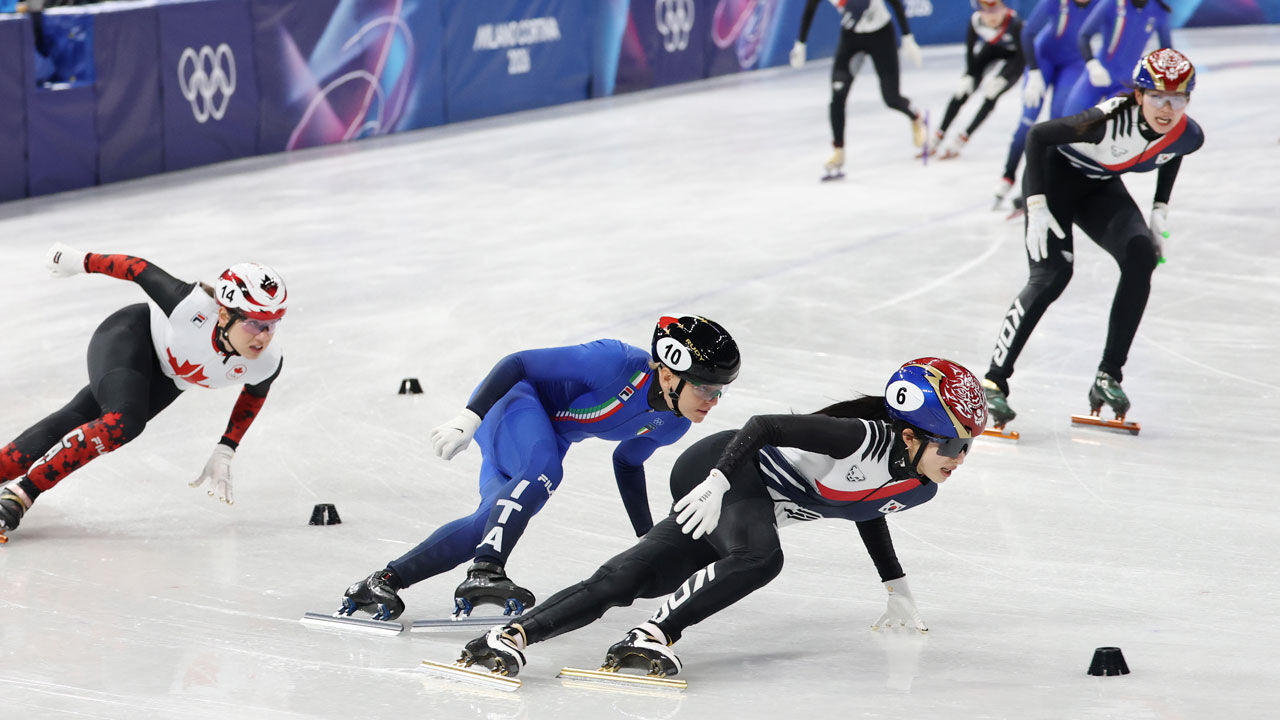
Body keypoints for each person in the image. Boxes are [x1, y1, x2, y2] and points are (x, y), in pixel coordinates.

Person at [452, 357, 988, 679]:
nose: (959, 459)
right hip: (722, 469)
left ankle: (511, 636)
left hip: (751, 502)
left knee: (636, 576)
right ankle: (651, 635)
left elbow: (868, 506)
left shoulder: (919, 487)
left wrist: (895, 586)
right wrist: (719, 481)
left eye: (968, 447)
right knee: (759, 556)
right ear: (912, 434)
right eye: (953, 444)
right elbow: (762, 425)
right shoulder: (858, 436)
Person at [338, 316, 741, 621]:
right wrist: (469, 417)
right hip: (513, 404)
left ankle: (383, 582)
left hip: (545, 438)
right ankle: (486, 570)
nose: (714, 399)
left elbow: (627, 462)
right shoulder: (613, 361)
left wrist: (645, 534)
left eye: (720, 390)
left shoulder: (673, 424)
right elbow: (518, 363)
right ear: (668, 374)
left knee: (489, 522)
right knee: (545, 470)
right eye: (705, 387)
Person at [0, 244, 288, 539]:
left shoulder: (267, 362)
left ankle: (9, 479)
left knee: (77, 418)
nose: (264, 336)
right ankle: (23, 493)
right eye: (254, 324)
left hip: (167, 380)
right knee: (124, 421)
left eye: (272, 324)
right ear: (225, 315)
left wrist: (226, 449)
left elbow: (255, 394)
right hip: (130, 335)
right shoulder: (190, 307)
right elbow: (138, 269)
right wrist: (80, 261)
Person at [982, 48, 1202, 428]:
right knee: (1052, 275)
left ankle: (1108, 376)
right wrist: (1035, 203)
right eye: (1157, 97)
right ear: (1138, 96)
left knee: (1140, 255)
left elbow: (1173, 151)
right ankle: (993, 381)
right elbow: (1038, 136)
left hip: (1099, 185)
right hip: (1054, 178)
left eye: (1177, 99)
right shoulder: (1106, 121)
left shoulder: (1187, 133)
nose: (1167, 109)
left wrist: (1159, 210)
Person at [789, 0, 927, 179]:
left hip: (881, 35)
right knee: (837, 97)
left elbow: (895, 2)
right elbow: (810, 7)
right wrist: (801, 43)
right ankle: (838, 151)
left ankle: (915, 117)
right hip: (851, 38)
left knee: (891, 99)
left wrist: (908, 37)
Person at [995, 0, 1094, 205]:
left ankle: (1039, 184)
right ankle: (1008, 174)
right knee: (1028, 121)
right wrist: (1033, 71)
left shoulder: (1103, 4)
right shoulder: (1055, 2)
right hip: (1043, 58)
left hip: (1073, 64)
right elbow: (1028, 33)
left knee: (1057, 126)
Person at [922, 0, 1025, 161]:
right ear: (979, 12)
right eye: (986, 12)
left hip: (1015, 59)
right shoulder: (976, 21)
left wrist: (1003, 79)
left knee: (991, 95)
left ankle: (962, 138)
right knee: (961, 92)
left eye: (996, 11)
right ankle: (939, 134)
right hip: (991, 50)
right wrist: (969, 74)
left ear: (1004, 9)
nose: (991, 17)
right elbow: (970, 51)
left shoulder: (1016, 24)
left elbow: (1021, 58)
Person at [1059, 0, 1171, 117]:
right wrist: (1092, 65)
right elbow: (1084, 36)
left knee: (1111, 127)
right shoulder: (1112, 3)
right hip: (1097, 73)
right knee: (1070, 119)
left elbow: (1167, 50)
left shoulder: (1159, 10)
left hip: (1126, 82)